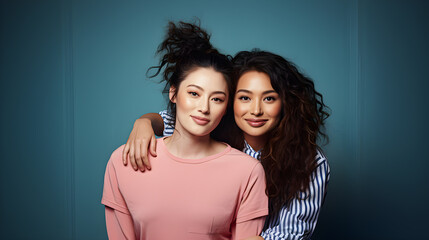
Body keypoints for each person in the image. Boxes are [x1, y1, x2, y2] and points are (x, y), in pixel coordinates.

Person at [123, 48, 331, 240]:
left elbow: (291, 232)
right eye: (244, 98)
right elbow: (173, 120)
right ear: (230, 101)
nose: (256, 110)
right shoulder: (214, 129)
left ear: (286, 103)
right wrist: (144, 122)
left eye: (269, 99)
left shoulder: (310, 161)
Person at [102, 21, 268, 240]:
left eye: (217, 99)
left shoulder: (248, 172)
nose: (204, 108)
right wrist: (143, 122)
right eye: (194, 93)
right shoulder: (123, 162)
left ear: (226, 106)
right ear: (174, 93)